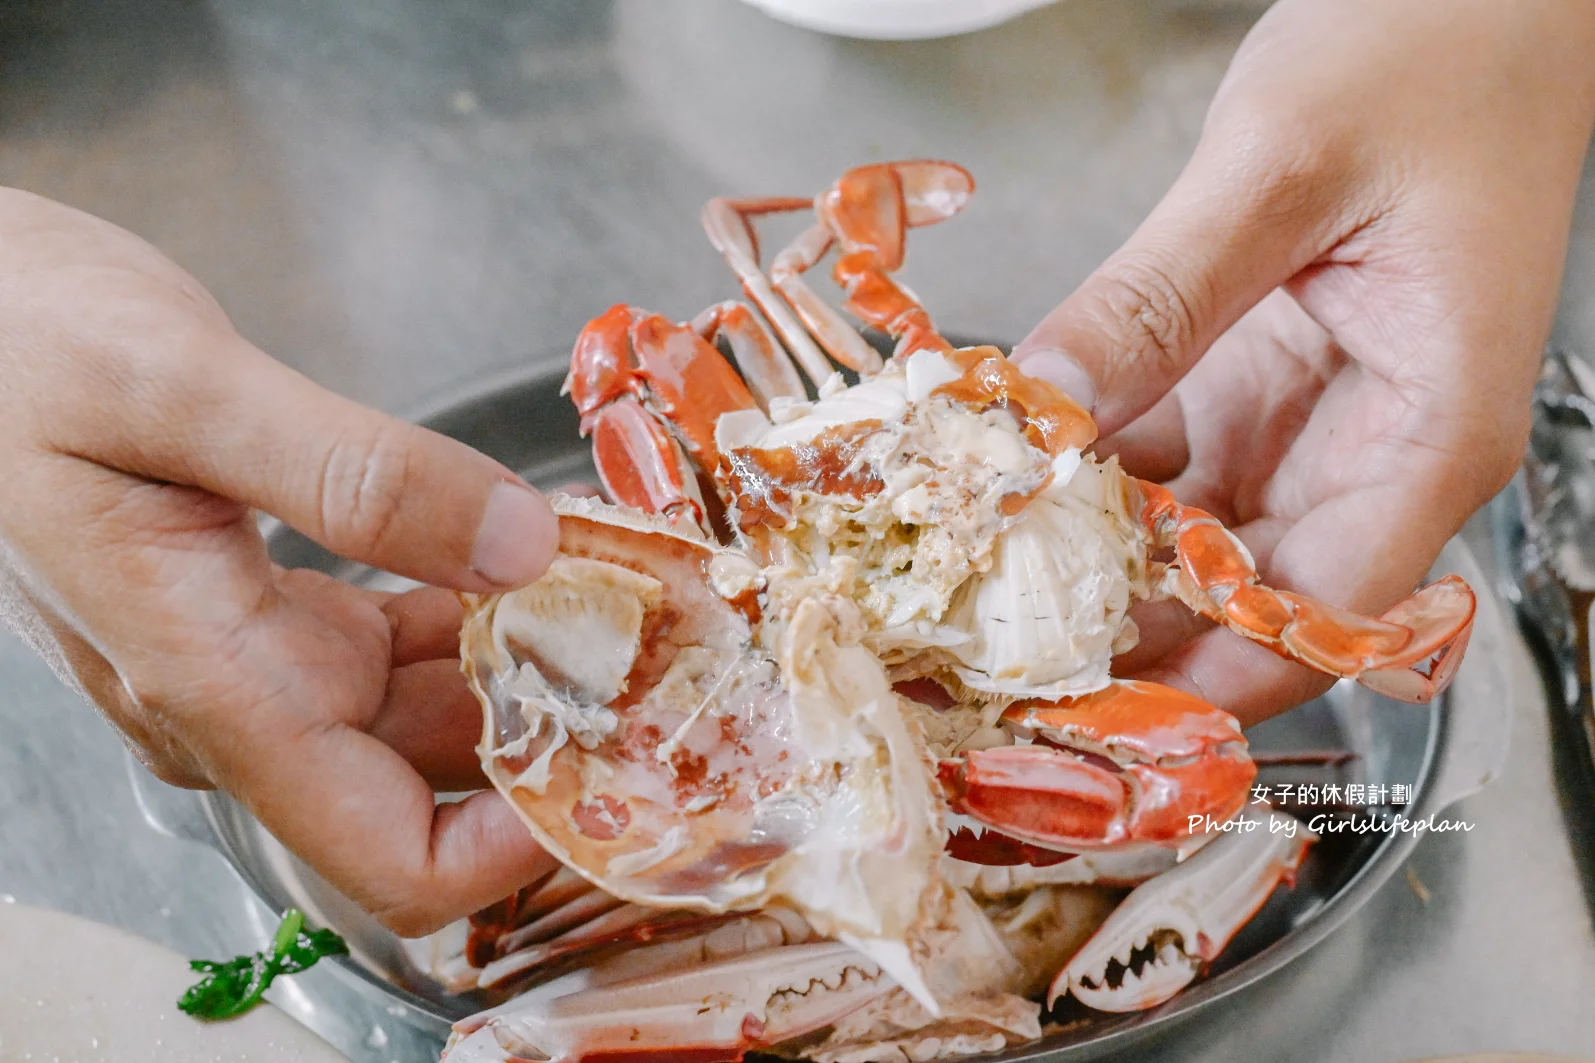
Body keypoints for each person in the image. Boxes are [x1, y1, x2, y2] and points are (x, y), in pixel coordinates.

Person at [2, 0, 1590, 938]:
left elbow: (1269, 703)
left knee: (1205, 753)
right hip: (408, 72)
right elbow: (648, 342)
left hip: (1155, 59)